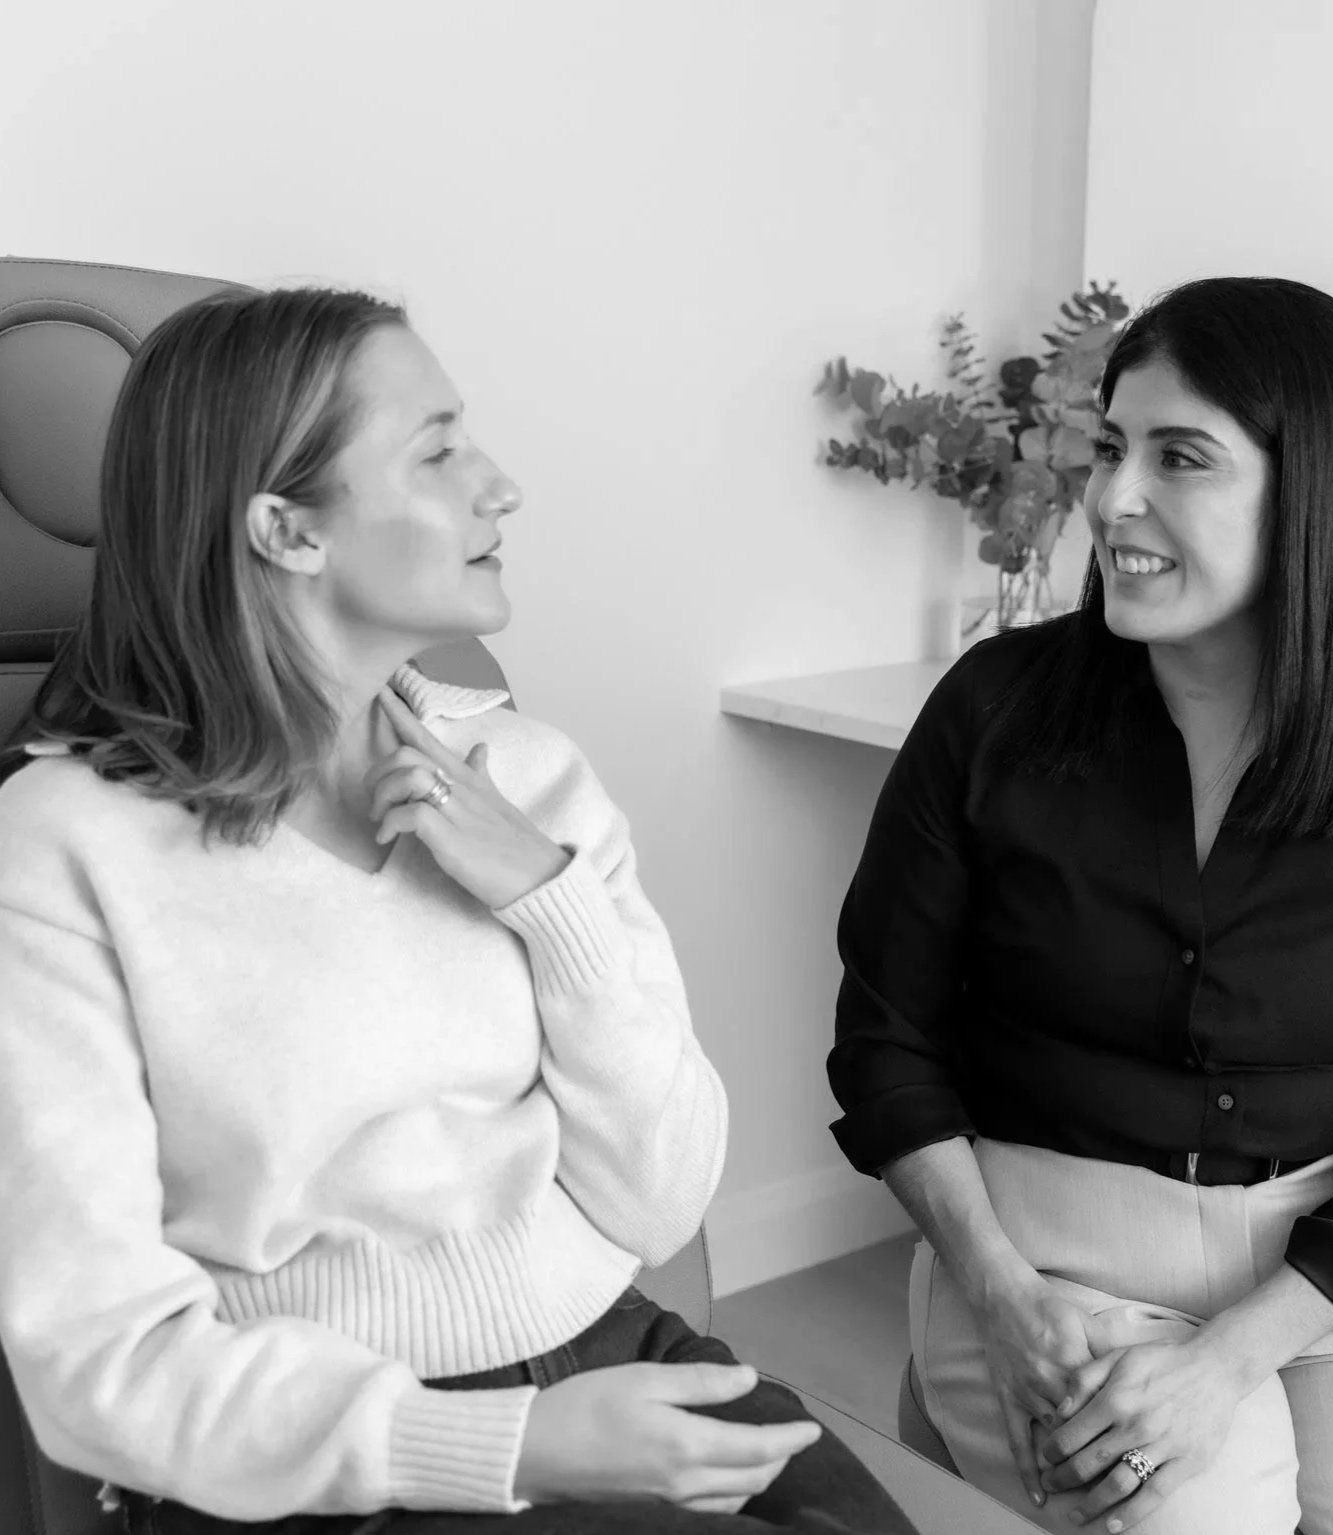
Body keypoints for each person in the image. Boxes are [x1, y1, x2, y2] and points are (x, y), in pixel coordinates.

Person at [0, 285, 918, 1535]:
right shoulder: (65, 846)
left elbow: (659, 1202)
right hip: (312, 1455)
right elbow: (96, 1358)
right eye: (436, 448)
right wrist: (506, 1440)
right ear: (285, 527)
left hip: (609, 1354)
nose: (499, 486)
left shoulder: (530, 779)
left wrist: (550, 903)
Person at [828, 276, 1333, 1535]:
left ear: (1315, 490)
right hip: (1046, 1258)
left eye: (1178, 456)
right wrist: (993, 1289)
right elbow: (885, 1046)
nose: (1110, 498)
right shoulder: (991, 713)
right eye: (1109, 448)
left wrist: (1234, 1354)